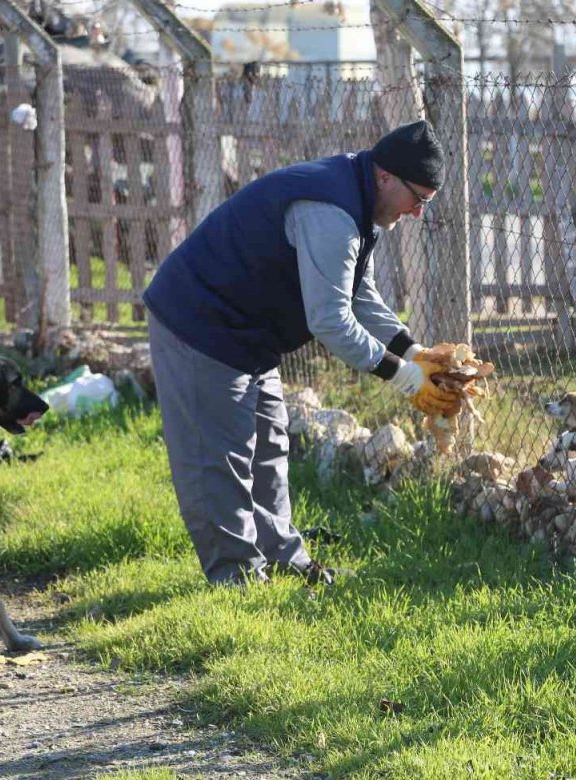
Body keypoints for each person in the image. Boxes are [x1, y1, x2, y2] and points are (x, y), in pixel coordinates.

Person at [143, 119, 459, 587]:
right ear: (387, 177)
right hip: (201, 325)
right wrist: (404, 378)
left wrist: (413, 352)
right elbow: (330, 321)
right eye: (419, 199)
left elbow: (356, 292)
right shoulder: (331, 212)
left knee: (269, 449)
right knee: (218, 461)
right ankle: (237, 581)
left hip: (249, 335)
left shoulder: (358, 193)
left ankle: (285, 564)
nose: (417, 213)